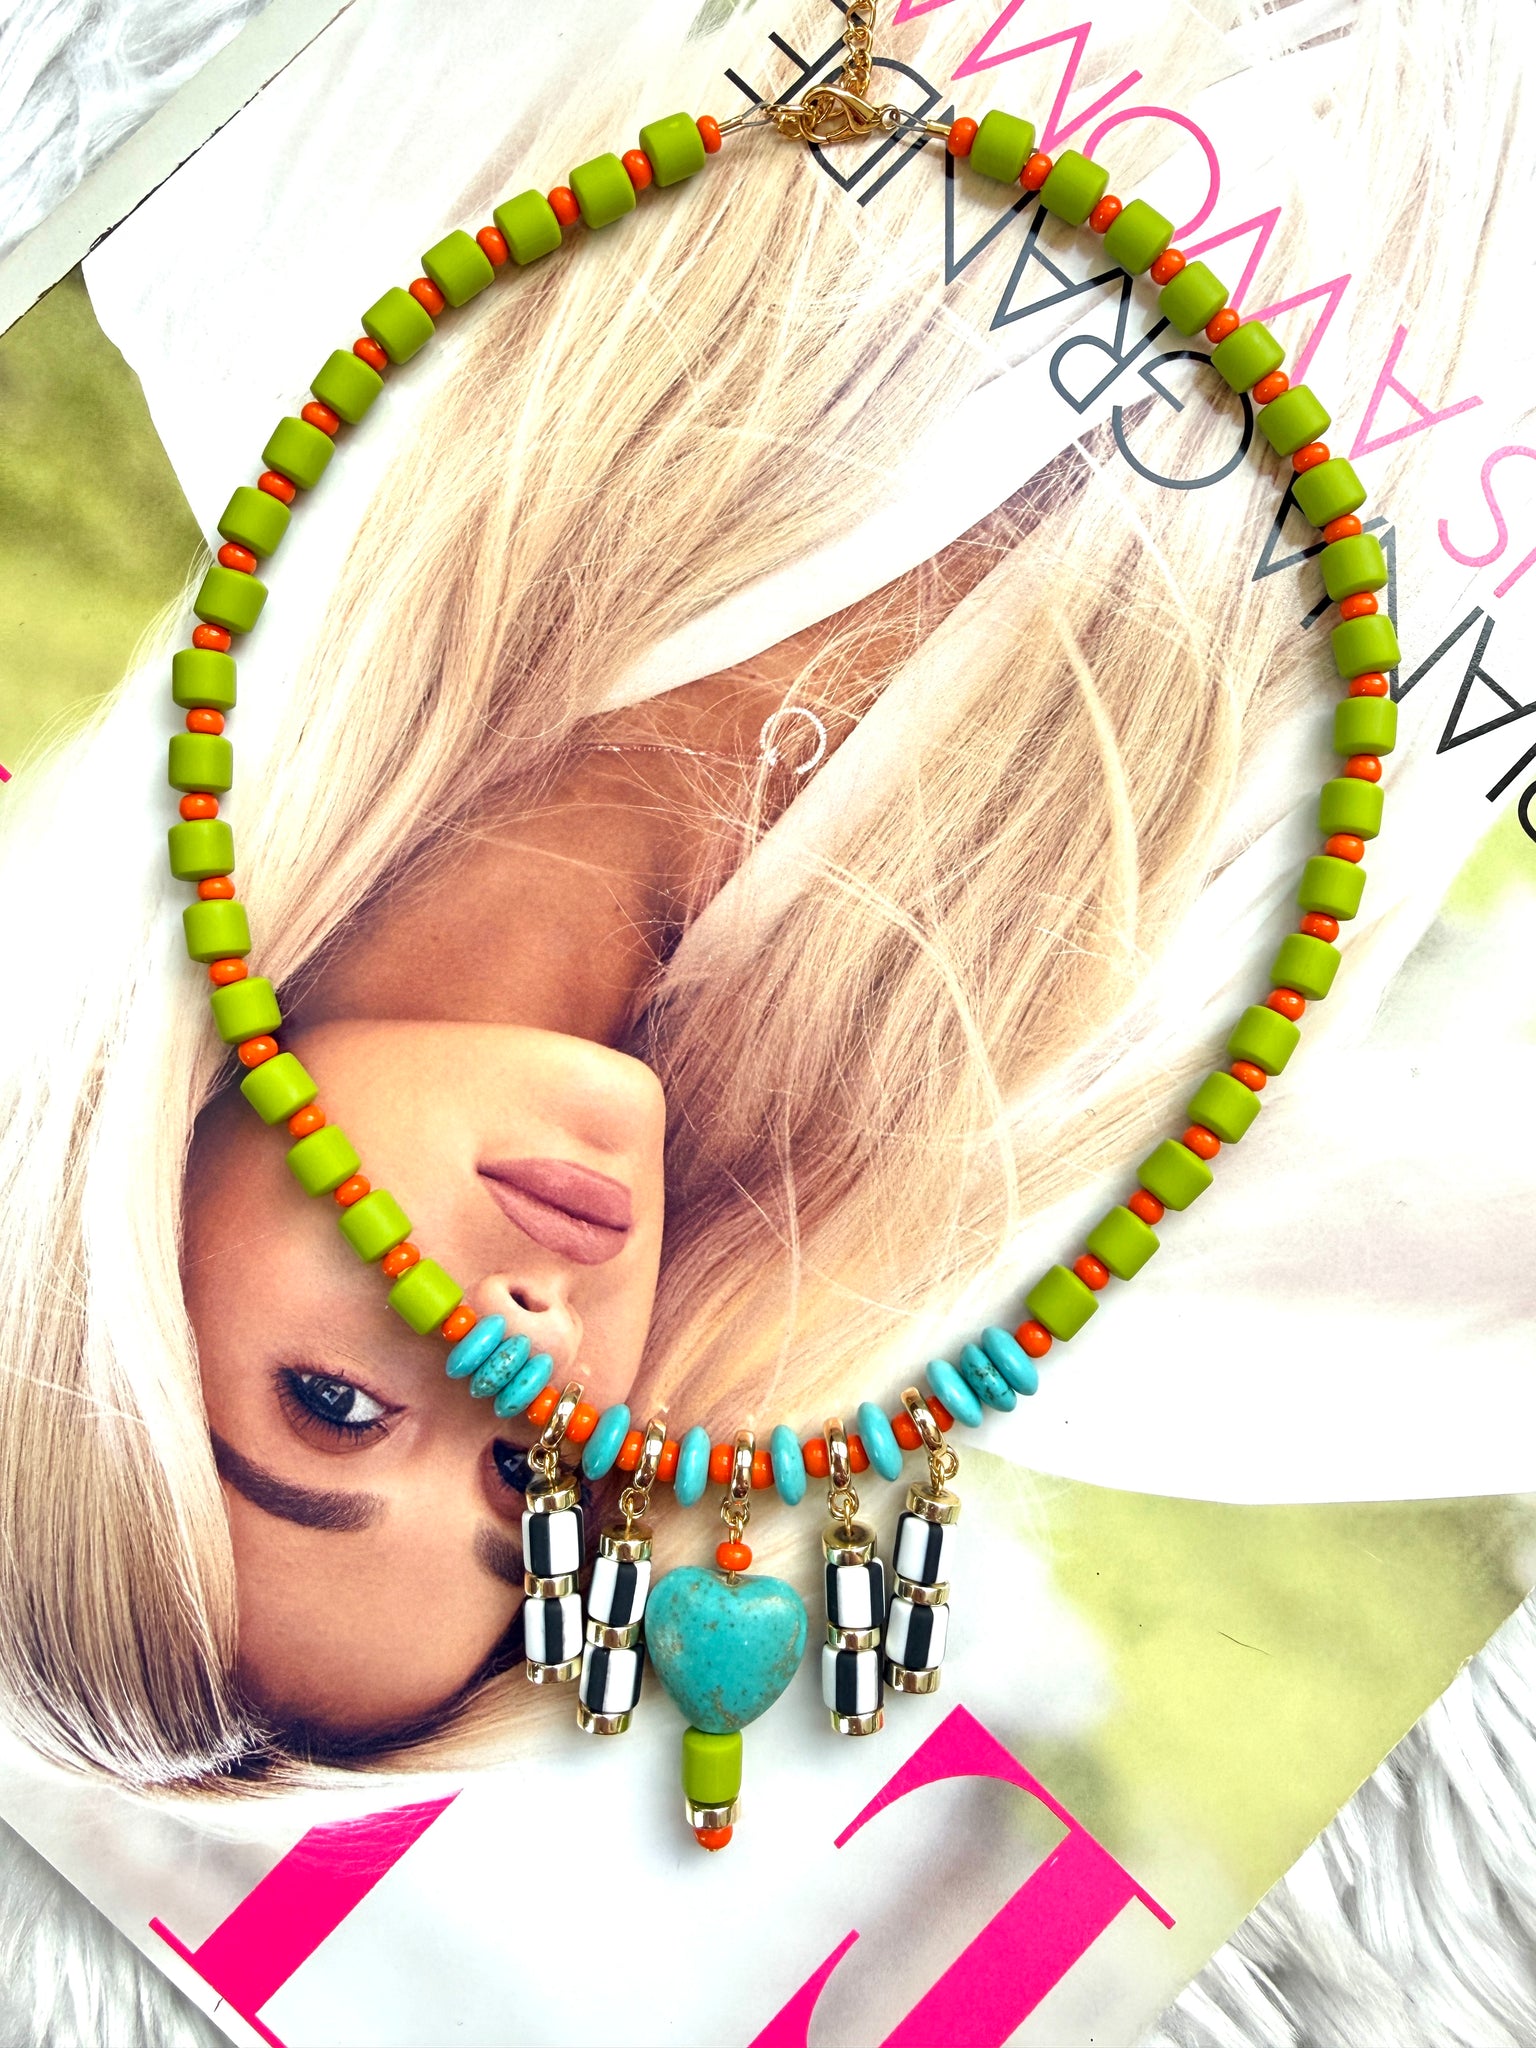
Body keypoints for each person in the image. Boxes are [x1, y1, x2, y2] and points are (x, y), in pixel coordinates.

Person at [0, 0, 1508, 1790]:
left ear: (100, 1219)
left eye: (335, 1405)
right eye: (529, 1475)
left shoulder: (260, 226)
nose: (528, 1361)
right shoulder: (1080, 1268)